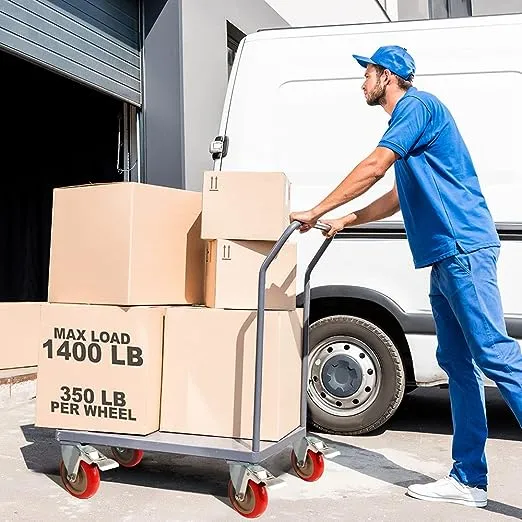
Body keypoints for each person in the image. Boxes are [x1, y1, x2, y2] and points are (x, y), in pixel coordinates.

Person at [290, 45, 522, 508]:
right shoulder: (413, 127)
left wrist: (318, 209)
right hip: (445, 257)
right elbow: (397, 195)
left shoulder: (417, 107)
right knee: (458, 365)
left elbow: (375, 166)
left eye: (368, 73)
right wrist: (348, 219)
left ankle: (469, 477)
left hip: (463, 249)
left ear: (387, 76)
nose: (362, 82)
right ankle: (468, 480)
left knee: (496, 354)